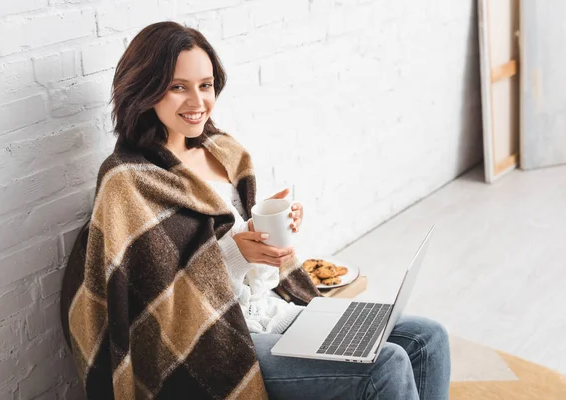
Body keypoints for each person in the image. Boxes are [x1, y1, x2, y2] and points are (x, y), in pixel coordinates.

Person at [60, 21, 451, 400]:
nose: (198, 103)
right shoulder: (127, 181)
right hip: (217, 342)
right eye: (178, 87)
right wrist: (237, 252)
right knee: (386, 364)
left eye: (206, 85)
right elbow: (162, 306)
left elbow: (253, 279)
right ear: (146, 89)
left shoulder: (222, 150)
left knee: (426, 338)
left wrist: (269, 238)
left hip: (269, 311)